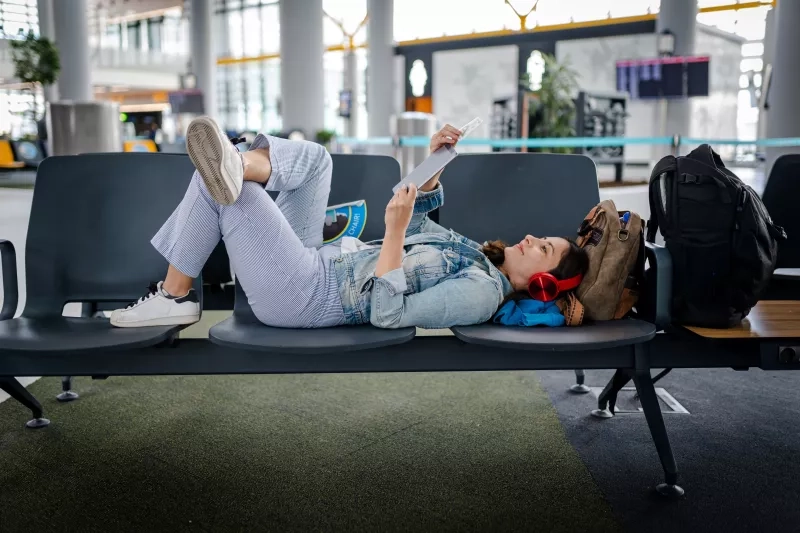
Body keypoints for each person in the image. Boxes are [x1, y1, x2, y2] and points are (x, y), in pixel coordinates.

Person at [110, 116, 588, 330]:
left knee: (228, 190)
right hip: (316, 263)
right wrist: (434, 167)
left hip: (309, 295)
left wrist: (394, 235)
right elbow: (418, 215)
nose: (531, 238)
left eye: (543, 247)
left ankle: (174, 296)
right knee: (316, 160)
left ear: (542, 286)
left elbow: (388, 314)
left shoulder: (482, 294)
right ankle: (234, 166)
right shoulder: (477, 255)